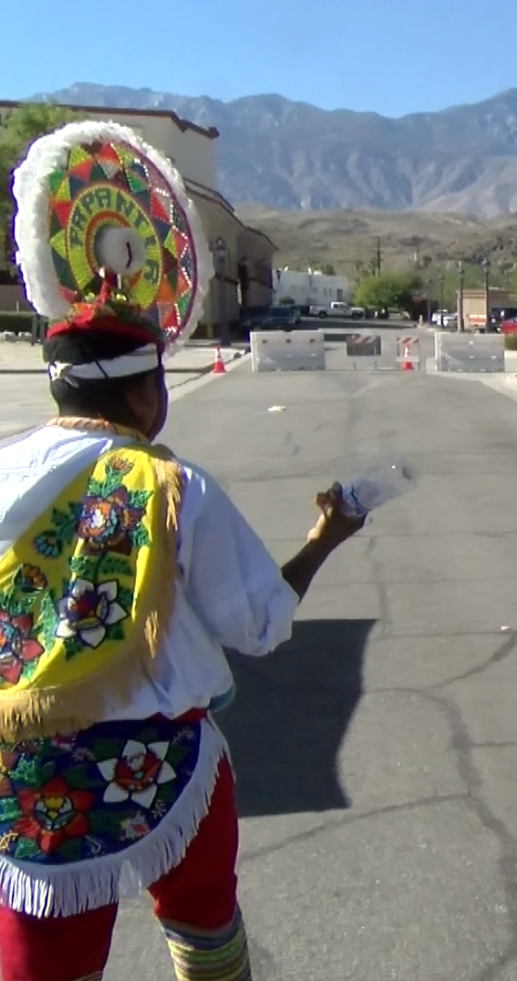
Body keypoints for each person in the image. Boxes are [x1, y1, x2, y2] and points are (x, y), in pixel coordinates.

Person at [0, 121, 365, 980]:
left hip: (29, 778)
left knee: (43, 962)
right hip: (165, 770)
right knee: (204, 928)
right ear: (146, 389)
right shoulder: (172, 488)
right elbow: (261, 624)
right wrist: (323, 539)